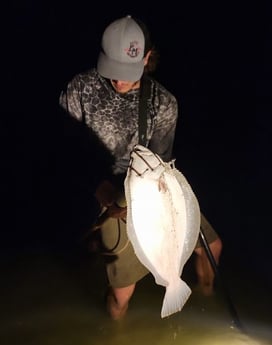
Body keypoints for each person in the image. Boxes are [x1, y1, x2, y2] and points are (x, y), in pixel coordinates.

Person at [59, 15, 222, 320]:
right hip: (105, 191)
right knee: (124, 293)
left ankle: (207, 305)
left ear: (147, 57)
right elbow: (62, 149)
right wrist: (95, 186)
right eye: (113, 70)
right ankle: (115, 329)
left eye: (128, 72)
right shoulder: (80, 88)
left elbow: (161, 161)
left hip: (147, 184)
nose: (119, 80)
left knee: (212, 247)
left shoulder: (163, 102)